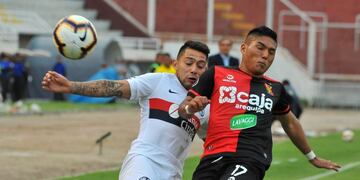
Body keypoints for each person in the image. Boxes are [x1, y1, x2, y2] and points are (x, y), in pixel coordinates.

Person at [178, 26, 340, 180]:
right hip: (212, 157)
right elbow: (183, 110)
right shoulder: (216, 73)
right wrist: (190, 108)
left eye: (271, 52)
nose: (265, 55)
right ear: (243, 48)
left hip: (250, 158)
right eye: (260, 48)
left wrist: (312, 157)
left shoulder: (275, 88)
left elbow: (290, 123)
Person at [42, 40, 210, 180]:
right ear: (175, 64)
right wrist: (71, 86)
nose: (194, 69)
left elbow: (216, 140)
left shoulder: (205, 105)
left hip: (173, 173)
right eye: (188, 63)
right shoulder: (157, 81)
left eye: (200, 66)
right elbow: (112, 87)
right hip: (144, 162)